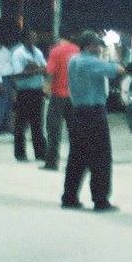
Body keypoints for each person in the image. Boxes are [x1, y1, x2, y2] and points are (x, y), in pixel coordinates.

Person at [61, 31, 125, 212]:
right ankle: (100, 199)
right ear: (89, 45)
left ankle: (69, 196)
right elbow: (115, 70)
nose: (99, 48)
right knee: (100, 158)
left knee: (77, 158)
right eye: (97, 45)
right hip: (93, 114)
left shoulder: (74, 60)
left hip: (78, 113)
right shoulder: (89, 62)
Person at [43, 28, 79, 171]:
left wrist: (46, 89)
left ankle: (52, 162)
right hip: (74, 97)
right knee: (74, 132)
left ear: (59, 37)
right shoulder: (78, 50)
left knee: (53, 130)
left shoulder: (55, 51)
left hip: (58, 96)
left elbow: (50, 73)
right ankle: (75, 163)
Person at [10, 28, 47, 162]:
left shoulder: (37, 52)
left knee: (37, 123)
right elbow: (17, 74)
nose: (35, 39)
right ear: (26, 39)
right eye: (33, 37)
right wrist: (32, 70)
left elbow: (45, 68)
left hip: (37, 91)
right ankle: (20, 153)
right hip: (24, 92)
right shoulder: (18, 53)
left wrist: (34, 68)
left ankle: (40, 153)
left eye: (35, 37)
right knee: (21, 124)